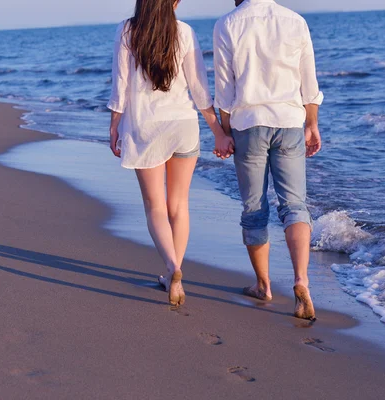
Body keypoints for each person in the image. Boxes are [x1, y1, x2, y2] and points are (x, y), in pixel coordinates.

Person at [108, 0, 234, 306]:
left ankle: (172, 268)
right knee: (179, 205)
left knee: (155, 206)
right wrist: (218, 130)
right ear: (174, 2)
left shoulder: (128, 30)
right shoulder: (185, 32)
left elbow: (121, 84)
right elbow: (200, 88)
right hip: (184, 126)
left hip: (145, 127)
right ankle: (174, 271)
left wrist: (114, 125)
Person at [213, 0, 323, 319]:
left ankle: (264, 285)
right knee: (295, 205)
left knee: (254, 208)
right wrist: (312, 123)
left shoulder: (227, 23)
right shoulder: (295, 20)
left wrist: (224, 131)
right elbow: (308, 82)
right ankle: (302, 281)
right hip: (289, 120)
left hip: (248, 123)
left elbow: (224, 87)